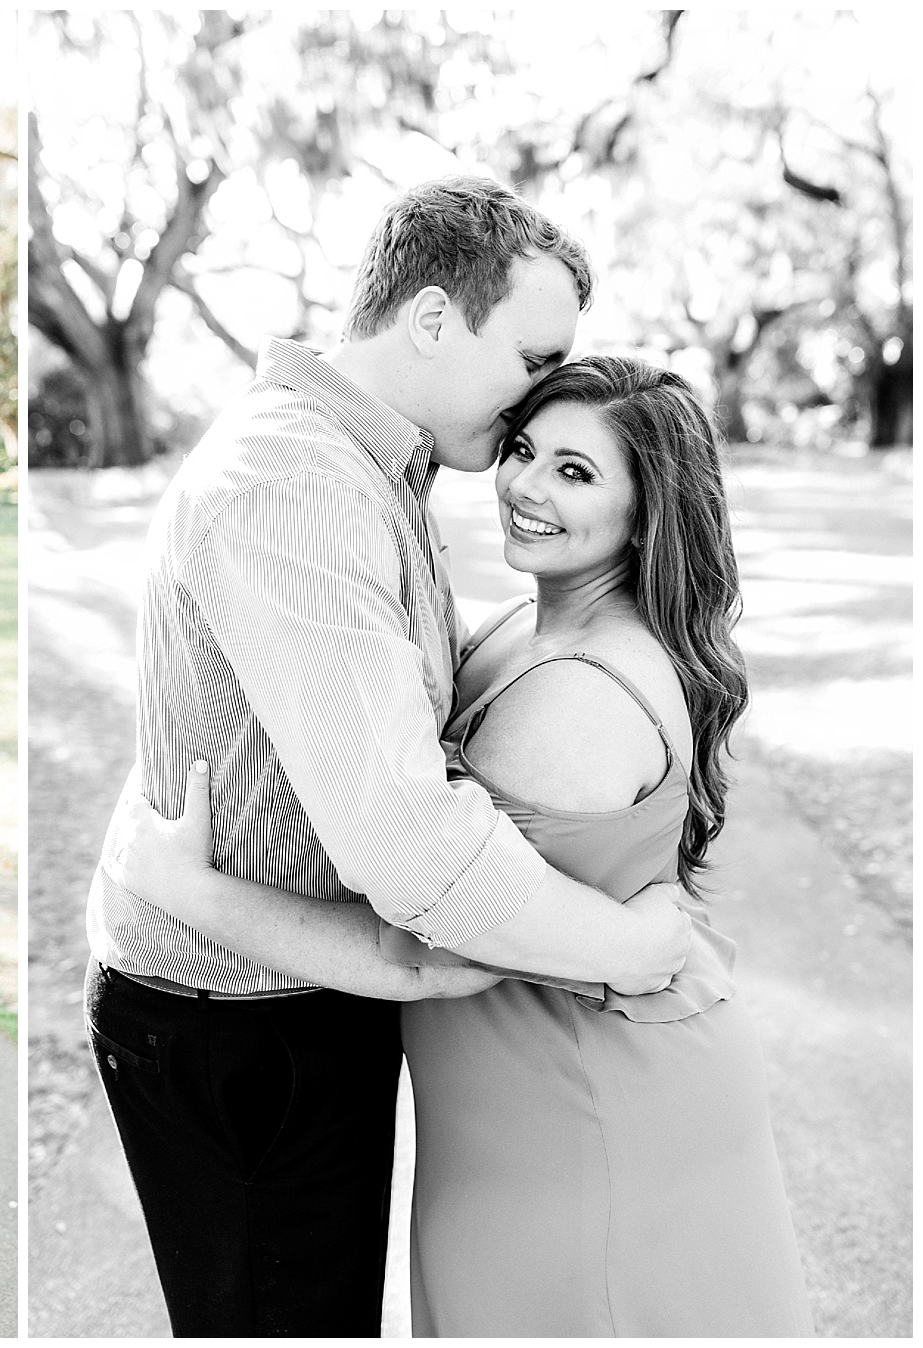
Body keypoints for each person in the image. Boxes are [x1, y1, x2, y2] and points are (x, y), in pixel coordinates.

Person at [84, 177, 696, 1336]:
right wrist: (628, 946)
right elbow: (409, 839)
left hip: (295, 991)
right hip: (240, 1022)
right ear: (429, 320)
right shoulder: (297, 484)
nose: (541, 392)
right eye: (528, 357)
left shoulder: (374, 467)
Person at [118, 356, 813, 1335]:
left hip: (586, 1115)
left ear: (649, 512)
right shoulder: (527, 622)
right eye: (527, 449)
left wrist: (186, 891)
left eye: (577, 472)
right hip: (519, 1107)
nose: (527, 484)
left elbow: (434, 932)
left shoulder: (575, 695)